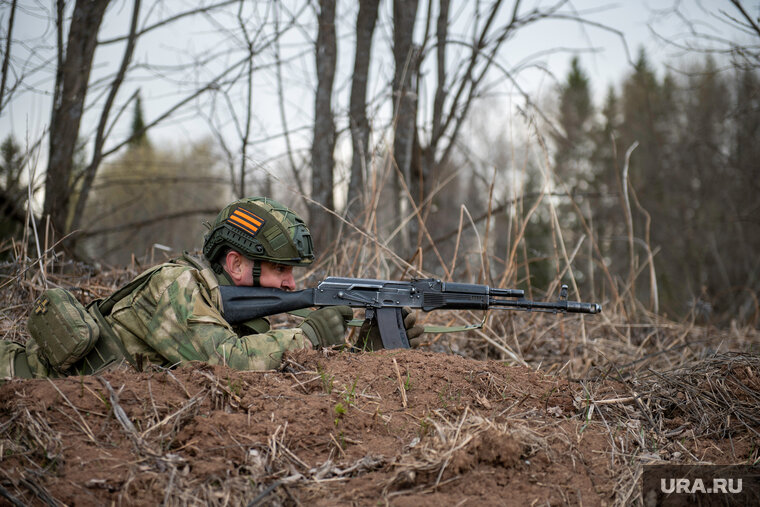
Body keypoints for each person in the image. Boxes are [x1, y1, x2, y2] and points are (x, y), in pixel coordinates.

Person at [0, 197, 422, 379]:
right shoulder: (177, 286)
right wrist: (311, 333)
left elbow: (280, 376)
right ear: (236, 264)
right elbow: (227, 365)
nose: (292, 284)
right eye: (280, 270)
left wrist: (367, 346)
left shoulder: (227, 309)